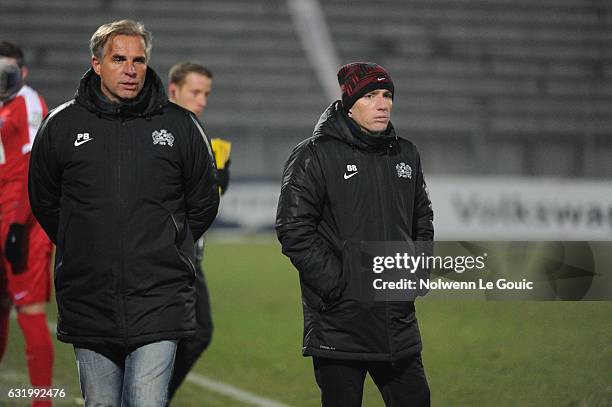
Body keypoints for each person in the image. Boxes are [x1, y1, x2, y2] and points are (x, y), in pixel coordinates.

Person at [28, 20, 219, 407]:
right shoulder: (62, 126)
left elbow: (203, 201)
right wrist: (81, 243)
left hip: (159, 296)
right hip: (89, 297)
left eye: (138, 60)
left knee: (145, 401)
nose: (130, 69)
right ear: (97, 63)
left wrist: (168, 245)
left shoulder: (180, 125)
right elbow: (46, 201)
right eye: (119, 59)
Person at [276, 62, 434, 406]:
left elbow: (421, 217)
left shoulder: (406, 153)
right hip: (341, 323)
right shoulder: (314, 154)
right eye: (371, 95)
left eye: (388, 95)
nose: (383, 104)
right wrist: (339, 285)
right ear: (350, 103)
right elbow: (293, 228)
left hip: (397, 323)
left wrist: (417, 274)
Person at [166, 62, 231, 400]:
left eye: (206, 93)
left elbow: (202, 202)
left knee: (194, 334)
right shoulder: (162, 132)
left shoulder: (196, 131)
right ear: (173, 89)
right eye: (195, 92)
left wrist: (218, 184)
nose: (202, 100)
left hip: (192, 255)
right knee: (184, 335)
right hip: (169, 255)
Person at [0, 41, 54, 407]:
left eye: (9, 70)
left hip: (24, 221)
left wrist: (18, 225)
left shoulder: (29, 102)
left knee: (29, 311)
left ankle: (42, 401)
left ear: (23, 73)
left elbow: (36, 168)